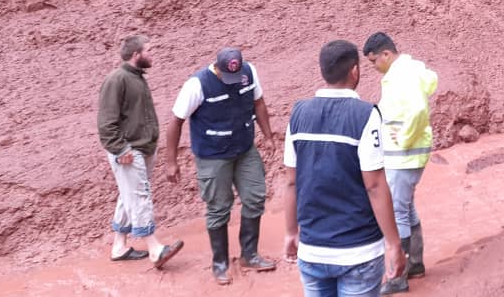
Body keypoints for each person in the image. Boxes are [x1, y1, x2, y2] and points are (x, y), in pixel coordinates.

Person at [283, 39, 406, 297]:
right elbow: (374, 185)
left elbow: (291, 182)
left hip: (313, 248)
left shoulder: (298, 114)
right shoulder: (365, 114)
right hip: (358, 251)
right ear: (354, 71)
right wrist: (394, 244)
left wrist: (291, 232)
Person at [166, 47, 276, 285]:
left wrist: (267, 136)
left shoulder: (249, 72)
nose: (231, 82)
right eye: (227, 76)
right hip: (213, 155)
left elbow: (259, 104)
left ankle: (249, 255)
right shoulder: (196, 85)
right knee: (218, 208)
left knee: (255, 196)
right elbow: (176, 122)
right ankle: (220, 263)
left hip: (244, 149)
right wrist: (171, 161)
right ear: (217, 67)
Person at [97, 35, 184, 268]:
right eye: (149, 50)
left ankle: (119, 246)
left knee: (129, 195)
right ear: (136, 55)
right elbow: (106, 122)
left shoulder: (136, 78)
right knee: (140, 195)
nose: (152, 54)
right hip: (128, 150)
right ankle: (155, 248)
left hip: (140, 148)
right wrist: (120, 148)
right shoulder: (117, 79)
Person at [362, 32, 438, 294]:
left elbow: (417, 110)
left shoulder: (401, 75)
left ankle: (398, 277)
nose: (373, 67)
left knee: (397, 212)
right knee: (406, 208)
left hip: (405, 155)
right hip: (408, 154)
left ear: (386, 54)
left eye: (374, 61)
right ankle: (415, 263)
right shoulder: (404, 72)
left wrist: (403, 139)